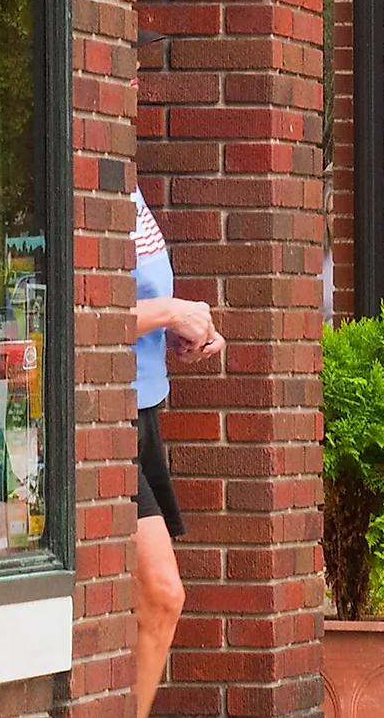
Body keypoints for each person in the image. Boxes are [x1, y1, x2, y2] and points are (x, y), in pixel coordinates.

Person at [132, 190, 225, 718]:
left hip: (144, 414)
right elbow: (85, 313)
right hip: (104, 420)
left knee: (151, 600)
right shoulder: (92, 185)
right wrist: (173, 309)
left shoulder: (132, 192)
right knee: (163, 593)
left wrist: (186, 334)